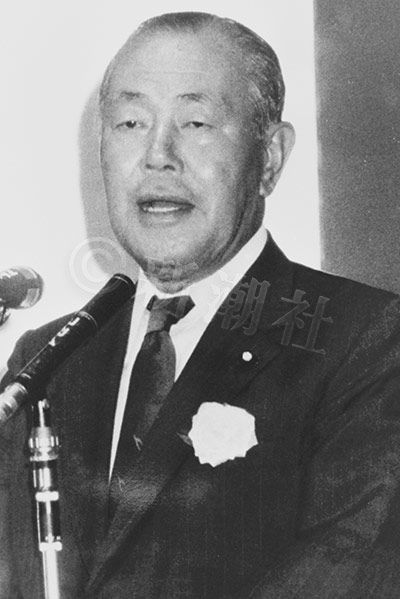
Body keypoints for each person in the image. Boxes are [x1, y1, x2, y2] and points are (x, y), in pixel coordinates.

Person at [2, 11, 400, 598]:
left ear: (270, 158)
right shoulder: (47, 359)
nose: (157, 155)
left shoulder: (367, 340)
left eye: (195, 122)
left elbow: (346, 571)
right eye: (131, 122)